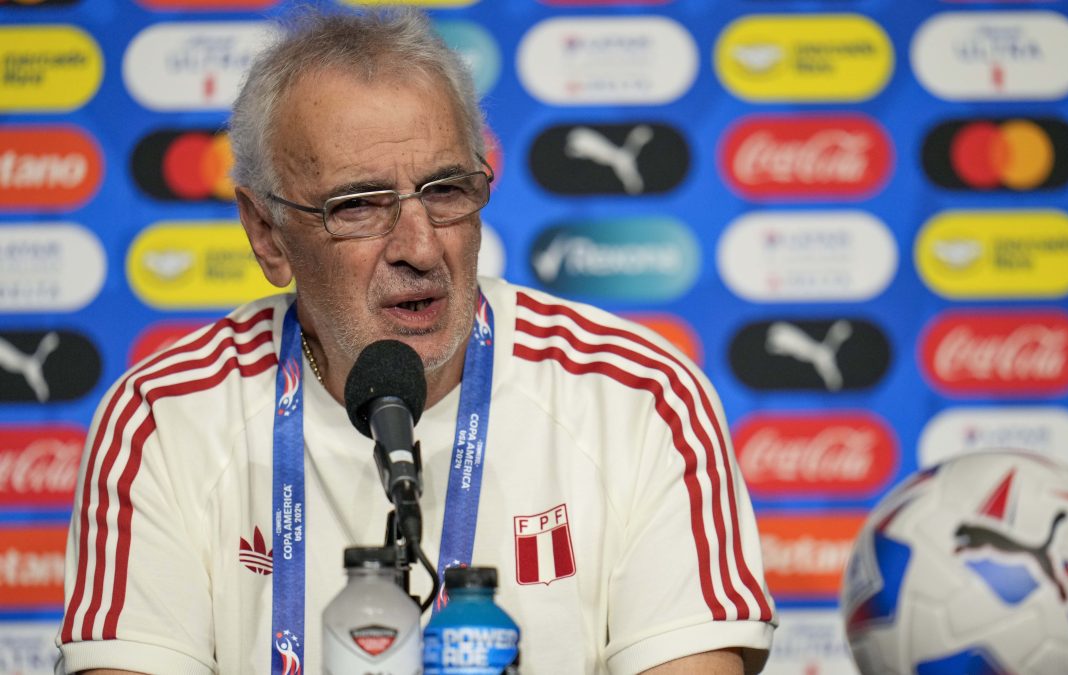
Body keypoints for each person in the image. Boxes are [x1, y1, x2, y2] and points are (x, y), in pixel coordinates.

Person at [56, 6, 775, 674]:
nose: (421, 246)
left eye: (445, 190)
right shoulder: (162, 420)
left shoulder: (640, 398)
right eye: (360, 205)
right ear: (268, 235)